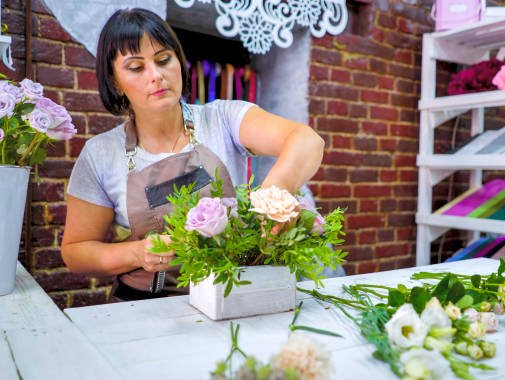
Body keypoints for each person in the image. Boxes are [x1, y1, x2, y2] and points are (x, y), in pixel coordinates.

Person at [61, 8, 324, 302]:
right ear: (114, 82)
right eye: (136, 67)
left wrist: (274, 194)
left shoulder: (224, 119)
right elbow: (76, 252)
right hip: (145, 306)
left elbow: (306, 140)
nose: (156, 76)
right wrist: (136, 252)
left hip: (229, 297)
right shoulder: (100, 154)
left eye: (163, 60)